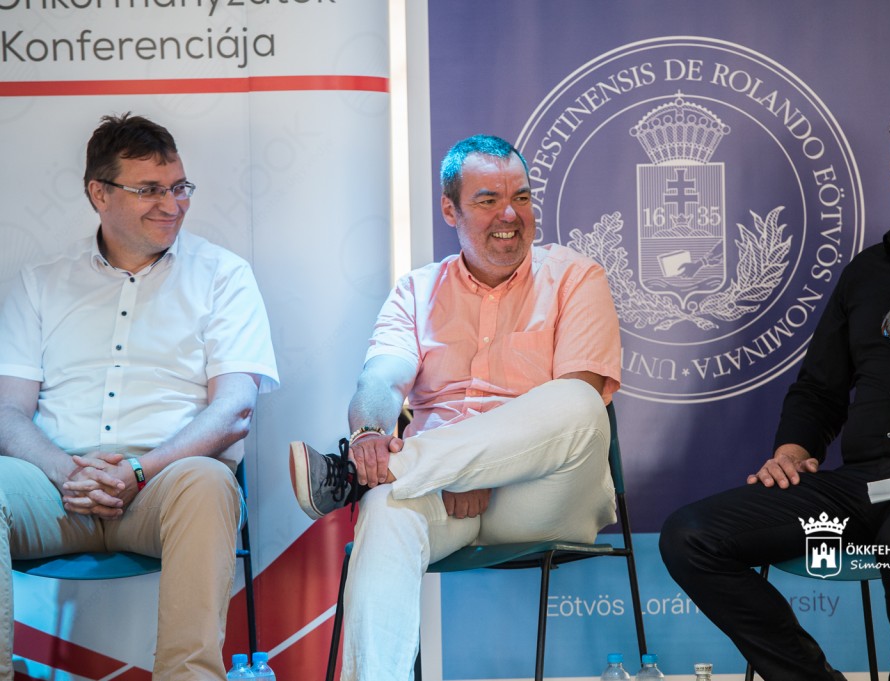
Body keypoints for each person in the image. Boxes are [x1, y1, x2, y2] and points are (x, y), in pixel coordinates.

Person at [659, 95, 890, 680]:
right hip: (864, 492)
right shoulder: (869, 271)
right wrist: (792, 451)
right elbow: (819, 388)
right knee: (692, 536)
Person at [289, 134, 622, 681]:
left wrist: (473, 468)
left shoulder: (575, 276)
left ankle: (360, 473)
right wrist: (369, 432)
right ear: (450, 210)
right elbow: (380, 380)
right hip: (442, 493)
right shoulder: (416, 291)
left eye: (522, 197)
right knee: (386, 509)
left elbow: (575, 406)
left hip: (543, 493)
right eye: (489, 200)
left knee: (578, 402)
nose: (510, 214)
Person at [0, 114, 279, 680]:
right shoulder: (41, 281)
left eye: (179, 187)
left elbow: (235, 410)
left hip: (164, 485)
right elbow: (8, 411)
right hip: (57, 486)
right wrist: (65, 470)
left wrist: (137, 471)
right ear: (99, 193)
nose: (171, 205)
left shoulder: (224, 276)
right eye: (149, 189)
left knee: (208, 482)